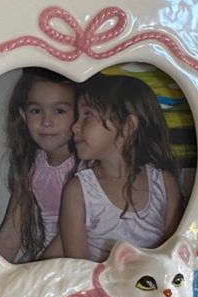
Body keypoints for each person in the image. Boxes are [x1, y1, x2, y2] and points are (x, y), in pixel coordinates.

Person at [57, 73, 184, 262]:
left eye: (88, 115)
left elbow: (172, 259)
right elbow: (78, 269)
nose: (75, 127)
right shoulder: (78, 191)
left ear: (127, 126)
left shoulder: (164, 185)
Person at [0, 68, 77, 263]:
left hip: (80, 266)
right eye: (36, 111)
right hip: (49, 265)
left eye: (59, 111)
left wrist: (36, 274)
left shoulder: (85, 167)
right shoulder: (33, 164)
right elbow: (11, 231)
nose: (47, 121)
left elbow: (68, 238)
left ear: (78, 116)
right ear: (23, 115)